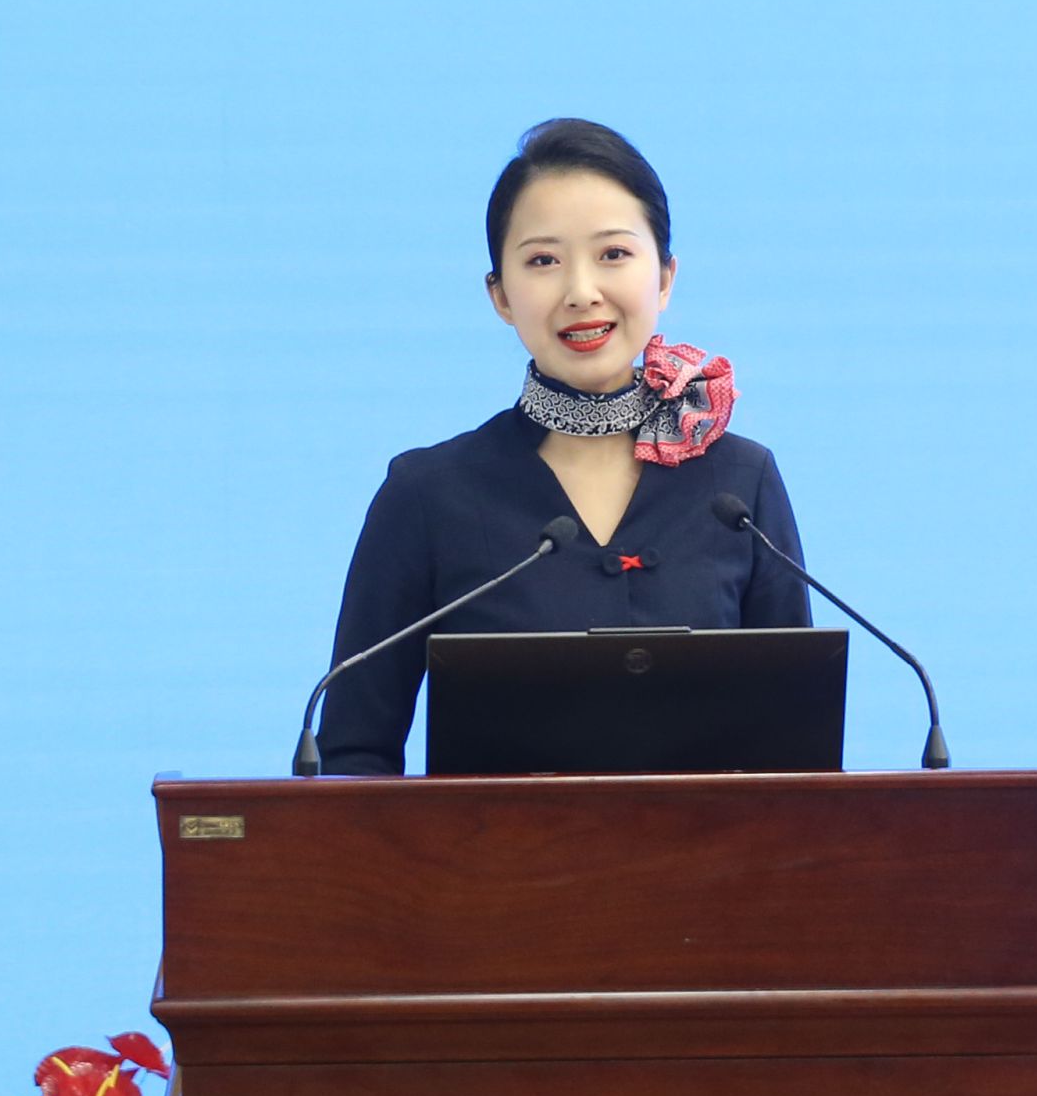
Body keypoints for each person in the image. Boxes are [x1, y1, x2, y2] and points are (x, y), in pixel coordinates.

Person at [316, 119, 811, 775]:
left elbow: (797, 756)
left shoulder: (740, 485)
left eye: (614, 254)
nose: (581, 292)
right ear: (500, 295)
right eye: (543, 261)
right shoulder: (427, 495)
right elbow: (354, 754)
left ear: (665, 278)